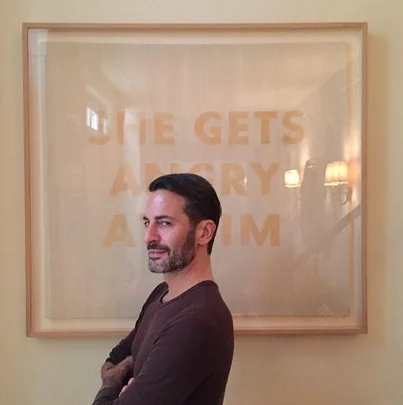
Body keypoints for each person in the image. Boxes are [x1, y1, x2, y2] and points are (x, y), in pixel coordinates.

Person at [91, 173, 234, 405]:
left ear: (204, 232)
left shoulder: (198, 320)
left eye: (165, 223)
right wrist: (124, 374)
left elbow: (115, 370)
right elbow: (116, 358)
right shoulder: (162, 294)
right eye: (147, 222)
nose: (149, 237)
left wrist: (114, 382)